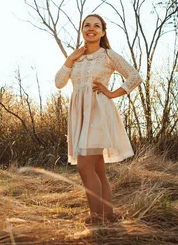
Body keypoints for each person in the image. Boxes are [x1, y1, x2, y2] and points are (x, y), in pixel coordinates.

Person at [55, 14, 142, 223]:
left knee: (85, 166)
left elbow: (135, 76)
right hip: (80, 115)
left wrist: (113, 93)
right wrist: (70, 58)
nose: (91, 28)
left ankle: (95, 220)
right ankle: (108, 216)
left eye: (96, 26)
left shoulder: (108, 55)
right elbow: (59, 82)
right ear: (82, 30)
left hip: (99, 113)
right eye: (87, 25)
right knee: (97, 169)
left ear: (103, 32)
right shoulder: (77, 57)